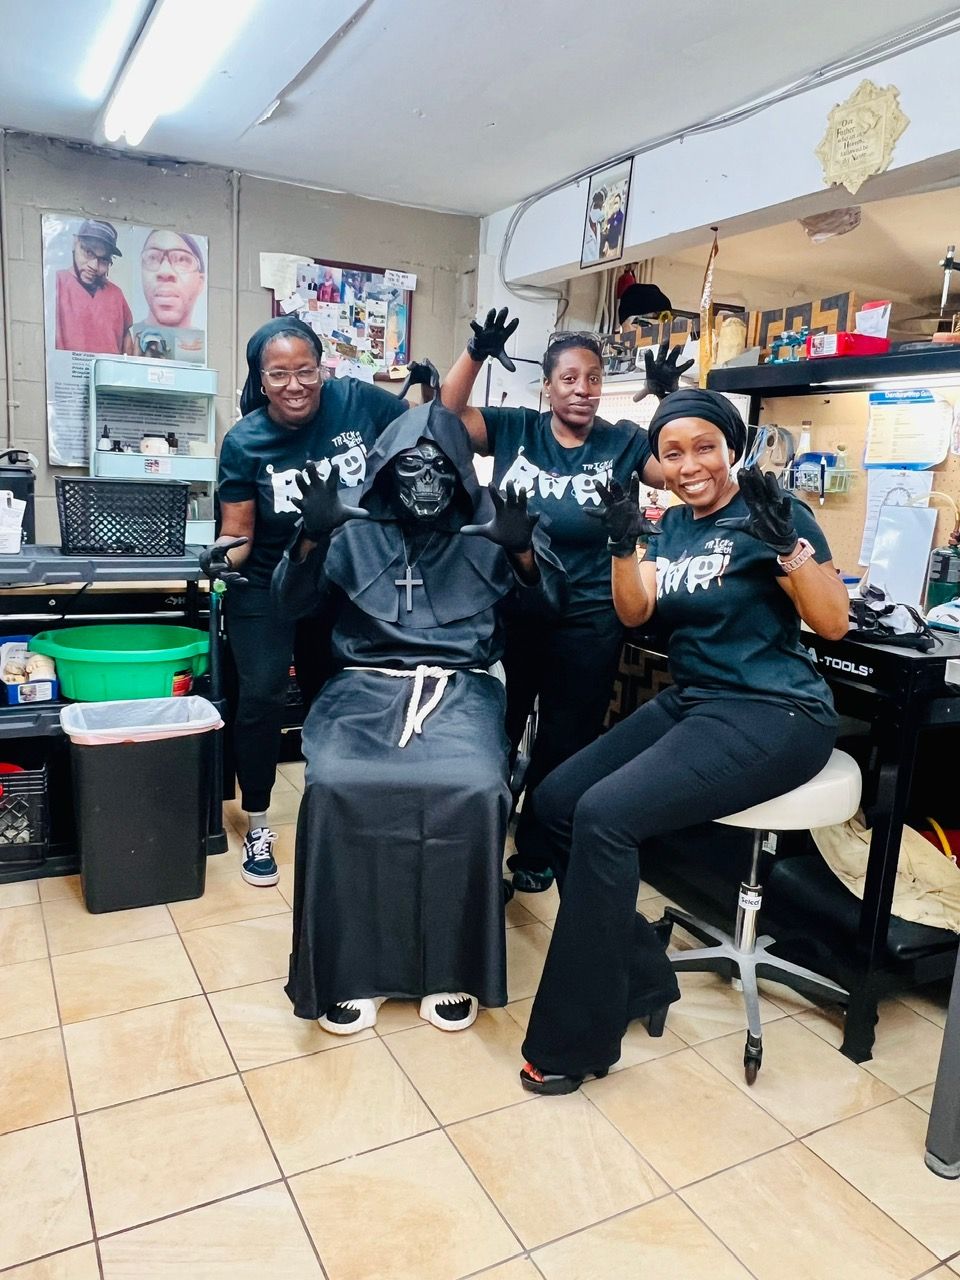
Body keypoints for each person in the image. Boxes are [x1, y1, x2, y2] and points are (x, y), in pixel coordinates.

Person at [518, 388, 849, 1094]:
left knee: (605, 816)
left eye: (705, 448)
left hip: (777, 711)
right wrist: (621, 544)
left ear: (732, 448)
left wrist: (786, 547)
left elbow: (833, 623)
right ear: (659, 464)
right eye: (673, 453)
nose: (690, 464)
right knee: (556, 801)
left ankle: (575, 1041)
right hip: (697, 699)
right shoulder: (670, 526)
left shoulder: (775, 512)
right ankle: (640, 973)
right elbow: (635, 611)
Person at [272, 400, 563, 1034]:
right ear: (385, 470)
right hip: (363, 687)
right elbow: (288, 604)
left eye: (440, 467)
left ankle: (450, 967)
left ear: (460, 471)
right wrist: (310, 538)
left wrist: (520, 553)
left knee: (474, 787)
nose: (427, 481)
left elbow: (550, 609)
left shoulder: (491, 520)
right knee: (337, 784)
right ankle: (352, 970)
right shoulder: (350, 519)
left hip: (462, 687)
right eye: (410, 466)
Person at [441, 314, 691, 893]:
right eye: (570, 379)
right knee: (494, 731)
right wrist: (475, 353)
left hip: (590, 617)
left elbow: (678, 473)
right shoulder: (516, 429)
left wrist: (670, 403)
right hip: (513, 609)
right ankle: (480, 843)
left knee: (566, 738)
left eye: (593, 379)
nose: (583, 389)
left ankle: (537, 849)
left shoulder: (624, 441)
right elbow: (446, 415)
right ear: (548, 386)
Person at [204, 315, 407, 887]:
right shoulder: (245, 441)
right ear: (260, 379)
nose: (295, 385)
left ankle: (336, 807)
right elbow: (238, 533)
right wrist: (220, 557)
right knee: (262, 696)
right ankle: (258, 820)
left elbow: (426, 430)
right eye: (279, 374)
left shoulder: (357, 402)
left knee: (337, 695)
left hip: (340, 580)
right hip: (267, 585)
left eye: (306, 371)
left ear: (323, 370)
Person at [124, 229, 206, 362]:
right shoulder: (127, 338)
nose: (165, 272)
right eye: (152, 257)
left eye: (181, 259)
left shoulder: (207, 344)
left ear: (200, 282)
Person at [55, 218, 131, 354]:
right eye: (89, 253)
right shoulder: (57, 284)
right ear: (75, 244)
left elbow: (127, 341)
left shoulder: (116, 295)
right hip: (67, 367)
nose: (94, 266)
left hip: (108, 368)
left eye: (103, 259)